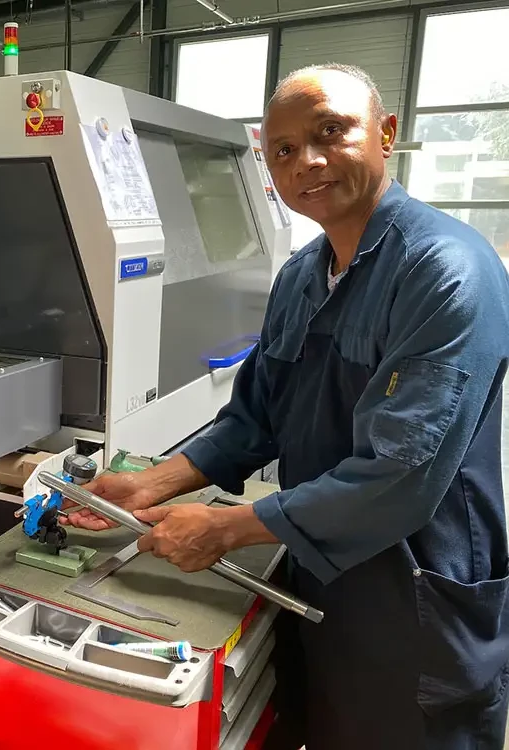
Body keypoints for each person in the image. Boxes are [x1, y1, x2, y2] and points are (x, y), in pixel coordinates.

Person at [65, 64, 509, 749]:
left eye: (331, 131)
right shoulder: (302, 275)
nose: (307, 160)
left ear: (386, 133)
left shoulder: (446, 271)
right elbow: (257, 418)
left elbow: (401, 474)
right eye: (283, 149)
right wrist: (149, 484)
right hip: (320, 572)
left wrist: (227, 528)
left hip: (417, 594)